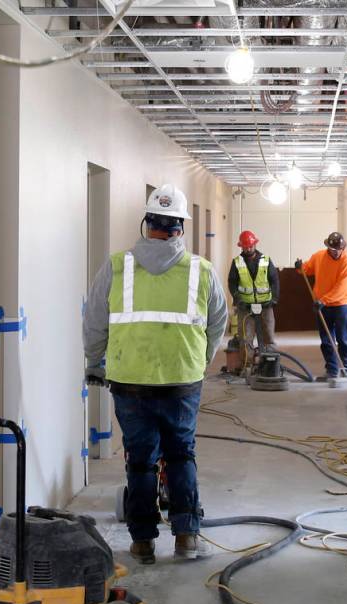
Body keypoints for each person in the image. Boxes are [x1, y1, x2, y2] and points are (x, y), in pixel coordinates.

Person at [83, 184, 228, 564]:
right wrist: (200, 361)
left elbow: (94, 321)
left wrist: (94, 363)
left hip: (129, 381)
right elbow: (218, 324)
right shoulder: (202, 270)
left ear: (147, 224)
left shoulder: (116, 265)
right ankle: (186, 537)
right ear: (181, 226)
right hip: (183, 379)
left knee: (141, 459)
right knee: (181, 454)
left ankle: (143, 540)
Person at [294, 232, 347, 380]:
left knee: (343, 338)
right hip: (322, 306)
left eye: (337, 249)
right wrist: (299, 267)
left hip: (341, 305)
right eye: (331, 248)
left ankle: (346, 368)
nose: (334, 252)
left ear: (342, 248)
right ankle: (332, 370)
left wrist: (324, 300)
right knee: (326, 340)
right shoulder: (319, 256)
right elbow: (307, 269)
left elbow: (341, 288)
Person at [228, 230, 280, 352]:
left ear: (255, 244)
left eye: (251, 246)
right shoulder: (237, 262)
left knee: (269, 338)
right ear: (241, 247)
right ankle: (248, 366)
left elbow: (274, 281)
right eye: (246, 247)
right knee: (245, 338)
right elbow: (232, 283)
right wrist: (237, 298)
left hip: (266, 305)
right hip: (245, 306)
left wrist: (274, 299)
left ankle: (269, 364)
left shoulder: (266, 260)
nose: (249, 249)